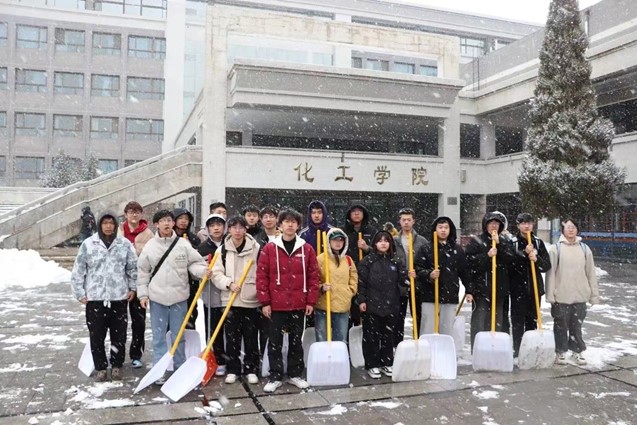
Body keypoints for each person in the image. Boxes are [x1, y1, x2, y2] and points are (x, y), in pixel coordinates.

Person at [136, 210, 211, 384]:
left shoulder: (183, 244)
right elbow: (143, 272)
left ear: (173, 223)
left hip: (179, 298)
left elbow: (195, 263)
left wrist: (202, 272)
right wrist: (143, 295)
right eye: (162, 221)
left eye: (169, 220)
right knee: (159, 338)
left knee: (179, 336)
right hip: (157, 299)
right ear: (156, 224)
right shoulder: (150, 246)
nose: (166, 223)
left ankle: (180, 368)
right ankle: (159, 370)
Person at [256, 208, 319, 393]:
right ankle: (275, 376)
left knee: (296, 341)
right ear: (280, 225)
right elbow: (261, 276)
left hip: (299, 304)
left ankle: (294, 374)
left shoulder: (306, 249)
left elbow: (314, 276)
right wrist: (265, 302)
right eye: (286, 221)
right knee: (274, 341)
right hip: (276, 305)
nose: (290, 225)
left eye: (293, 222)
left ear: (298, 225)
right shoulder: (269, 248)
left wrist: (310, 301)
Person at [71, 211, 138, 382]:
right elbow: (79, 269)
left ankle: (116, 365)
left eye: (111, 223)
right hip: (95, 298)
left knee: (119, 335)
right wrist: (79, 292)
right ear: (100, 225)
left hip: (119, 297)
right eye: (105, 223)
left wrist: (133, 287)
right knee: (96, 335)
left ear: (115, 225)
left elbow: (132, 268)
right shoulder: (88, 244)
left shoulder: (124, 244)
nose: (108, 226)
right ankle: (100, 367)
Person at [212, 216, 261, 385]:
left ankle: (251, 369)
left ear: (246, 229)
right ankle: (233, 369)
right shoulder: (222, 250)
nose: (238, 231)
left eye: (241, 227)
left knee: (251, 338)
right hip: (230, 300)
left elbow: (262, 271)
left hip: (251, 300)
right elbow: (216, 273)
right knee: (232, 338)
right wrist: (228, 283)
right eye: (234, 227)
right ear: (229, 229)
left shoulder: (256, 248)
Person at [545, 219, 600, 365]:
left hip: (580, 295)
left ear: (577, 230)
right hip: (561, 295)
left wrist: (594, 295)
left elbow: (591, 273)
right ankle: (561, 352)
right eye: (568, 227)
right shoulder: (556, 249)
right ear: (563, 230)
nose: (570, 230)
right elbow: (551, 274)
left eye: (573, 227)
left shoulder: (584, 249)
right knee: (560, 326)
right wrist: (550, 294)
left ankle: (577, 351)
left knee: (577, 326)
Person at [357, 230, 411, 379]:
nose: (383, 243)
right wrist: (362, 300)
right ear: (375, 243)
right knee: (371, 336)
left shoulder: (395, 261)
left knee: (388, 336)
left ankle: (386, 362)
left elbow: (403, 281)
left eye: (386, 241)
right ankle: (372, 364)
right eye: (380, 241)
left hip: (391, 304)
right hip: (372, 304)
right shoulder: (367, 261)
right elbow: (361, 283)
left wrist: (408, 276)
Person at [464, 211, 516, 350]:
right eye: (491, 223)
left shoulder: (505, 242)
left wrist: (499, 245)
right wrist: (486, 255)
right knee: (479, 322)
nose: (494, 226)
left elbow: (511, 259)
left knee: (497, 322)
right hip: (481, 290)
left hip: (499, 290)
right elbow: (469, 263)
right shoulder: (477, 241)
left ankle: (495, 349)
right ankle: (478, 349)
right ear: (485, 225)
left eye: (497, 223)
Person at [415, 216, 470, 336]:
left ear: (450, 230)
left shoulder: (457, 250)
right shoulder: (426, 249)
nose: (443, 230)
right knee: (428, 328)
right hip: (429, 295)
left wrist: (469, 290)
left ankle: (445, 347)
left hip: (449, 295)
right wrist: (429, 274)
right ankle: (428, 347)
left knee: (447, 329)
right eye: (440, 227)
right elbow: (417, 268)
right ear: (435, 229)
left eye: (446, 227)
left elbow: (464, 272)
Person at [508, 213, 551, 357]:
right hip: (517, 289)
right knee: (517, 321)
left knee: (532, 321)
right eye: (523, 223)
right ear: (518, 225)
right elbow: (509, 264)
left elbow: (546, 265)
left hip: (534, 289)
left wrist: (536, 259)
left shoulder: (538, 242)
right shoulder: (513, 243)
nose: (526, 226)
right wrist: (523, 254)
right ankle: (518, 350)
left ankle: (531, 349)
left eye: (529, 223)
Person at [117, 201, 154, 369]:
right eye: (131, 211)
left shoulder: (148, 234)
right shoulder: (118, 231)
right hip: (119, 283)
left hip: (140, 282)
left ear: (141, 214)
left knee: (138, 321)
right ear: (125, 214)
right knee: (118, 322)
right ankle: (117, 354)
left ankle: (136, 354)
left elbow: (151, 257)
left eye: (137, 211)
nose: (134, 214)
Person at [197, 213, 228, 377]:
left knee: (230, 329)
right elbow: (195, 269)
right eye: (212, 226)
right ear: (207, 229)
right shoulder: (202, 248)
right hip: (211, 295)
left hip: (229, 294)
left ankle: (232, 358)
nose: (216, 228)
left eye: (219, 225)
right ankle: (219, 359)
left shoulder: (230, 244)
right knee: (214, 329)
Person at [393, 207, 429, 347]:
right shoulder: (394, 241)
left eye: (409, 220)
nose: (406, 222)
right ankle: (397, 346)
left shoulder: (421, 241)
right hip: (399, 285)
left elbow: (428, 261)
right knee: (398, 318)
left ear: (414, 221)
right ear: (400, 222)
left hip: (418, 284)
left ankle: (418, 343)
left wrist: (420, 274)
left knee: (418, 316)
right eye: (404, 220)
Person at [315, 228, 358, 343]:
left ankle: (338, 355)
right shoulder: (320, 259)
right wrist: (321, 287)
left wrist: (350, 291)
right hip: (324, 306)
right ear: (328, 241)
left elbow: (353, 278)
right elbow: (313, 279)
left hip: (342, 305)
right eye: (335, 240)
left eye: (341, 240)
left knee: (340, 340)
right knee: (322, 340)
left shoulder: (348, 260)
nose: (338, 243)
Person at [343, 204, 377, 326]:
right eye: (354, 211)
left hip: (366, 274)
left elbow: (378, 252)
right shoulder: (343, 231)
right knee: (348, 305)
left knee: (362, 306)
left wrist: (366, 248)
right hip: (347, 274)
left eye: (359, 211)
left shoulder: (372, 231)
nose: (356, 213)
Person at [173, 207, 201, 329]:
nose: (184, 221)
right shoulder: (168, 238)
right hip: (173, 283)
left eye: (186, 219)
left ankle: (189, 335)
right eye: (180, 218)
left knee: (190, 313)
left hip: (190, 283)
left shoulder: (194, 239)